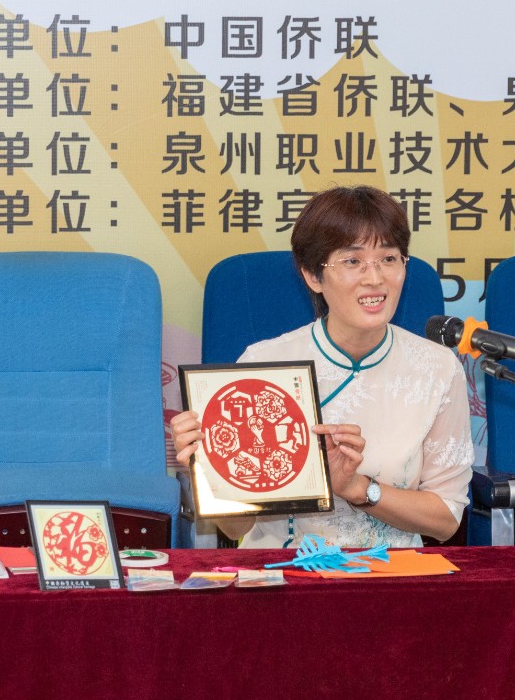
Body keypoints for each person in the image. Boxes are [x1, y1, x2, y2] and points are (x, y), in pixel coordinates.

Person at [172, 186, 474, 548]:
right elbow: (235, 530)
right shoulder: (263, 364)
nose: (375, 278)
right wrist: (207, 468)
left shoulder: (437, 369)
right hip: (281, 571)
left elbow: (446, 520)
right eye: (352, 261)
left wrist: (357, 488)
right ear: (313, 276)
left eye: (389, 258)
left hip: (391, 573)